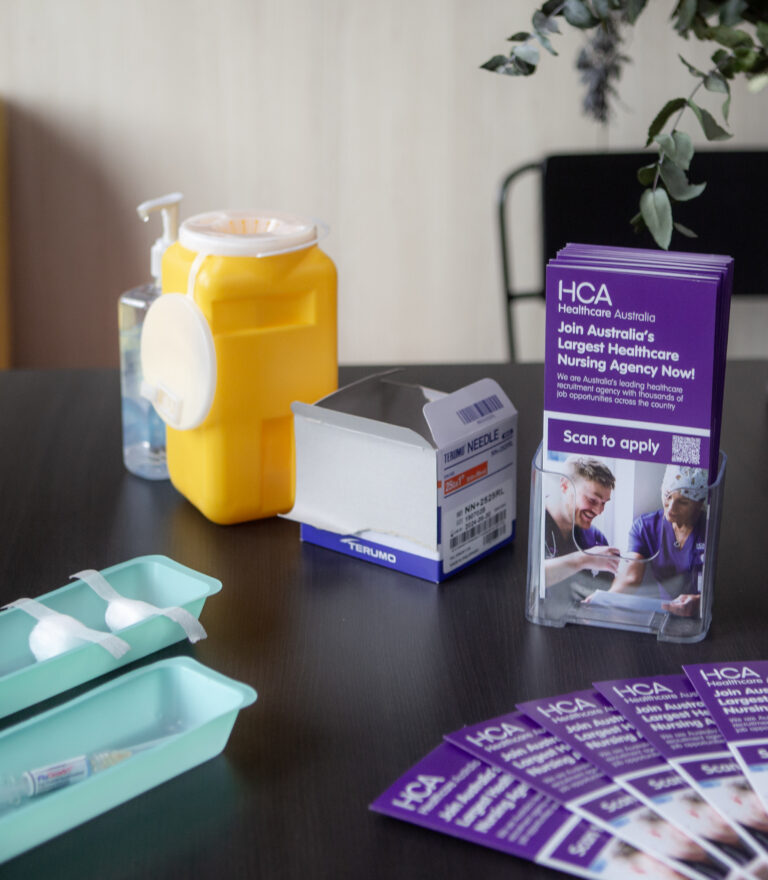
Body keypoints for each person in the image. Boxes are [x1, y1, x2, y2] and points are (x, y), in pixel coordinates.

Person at [607, 465, 708, 616]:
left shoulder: (709, 529)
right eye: (668, 496)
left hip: (704, 616)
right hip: (666, 614)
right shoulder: (645, 527)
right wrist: (604, 600)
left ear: (699, 503)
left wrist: (700, 602)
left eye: (683, 502)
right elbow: (630, 576)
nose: (671, 508)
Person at [543, 455, 620, 588]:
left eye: (603, 503)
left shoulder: (596, 539)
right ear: (565, 486)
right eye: (592, 500)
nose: (599, 511)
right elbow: (535, 576)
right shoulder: (536, 525)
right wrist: (585, 559)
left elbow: (607, 590)